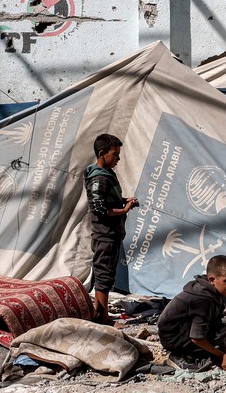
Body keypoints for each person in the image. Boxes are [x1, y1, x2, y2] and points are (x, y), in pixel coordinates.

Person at [84, 133, 138, 325]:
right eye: (115, 154)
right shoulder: (98, 178)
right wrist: (124, 209)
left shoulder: (106, 175)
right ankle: (103, 317)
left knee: (106, 274)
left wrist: (125, 201)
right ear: (101, 153)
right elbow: (99, 208)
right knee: (103, 275)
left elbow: (108, 200)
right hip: (105, 234)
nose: (118, 159)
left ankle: (100, 312)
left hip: (112, 233)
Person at [157, 255, 226, 373]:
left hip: (182, 330)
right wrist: (220, 355)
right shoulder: (202, 300)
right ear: (211, 280)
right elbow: (197, 338)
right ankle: (180, 356)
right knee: (218, 333)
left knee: (222, 330)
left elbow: (216, 323)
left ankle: (194, 352)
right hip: (172, 338)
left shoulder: (216, 292)